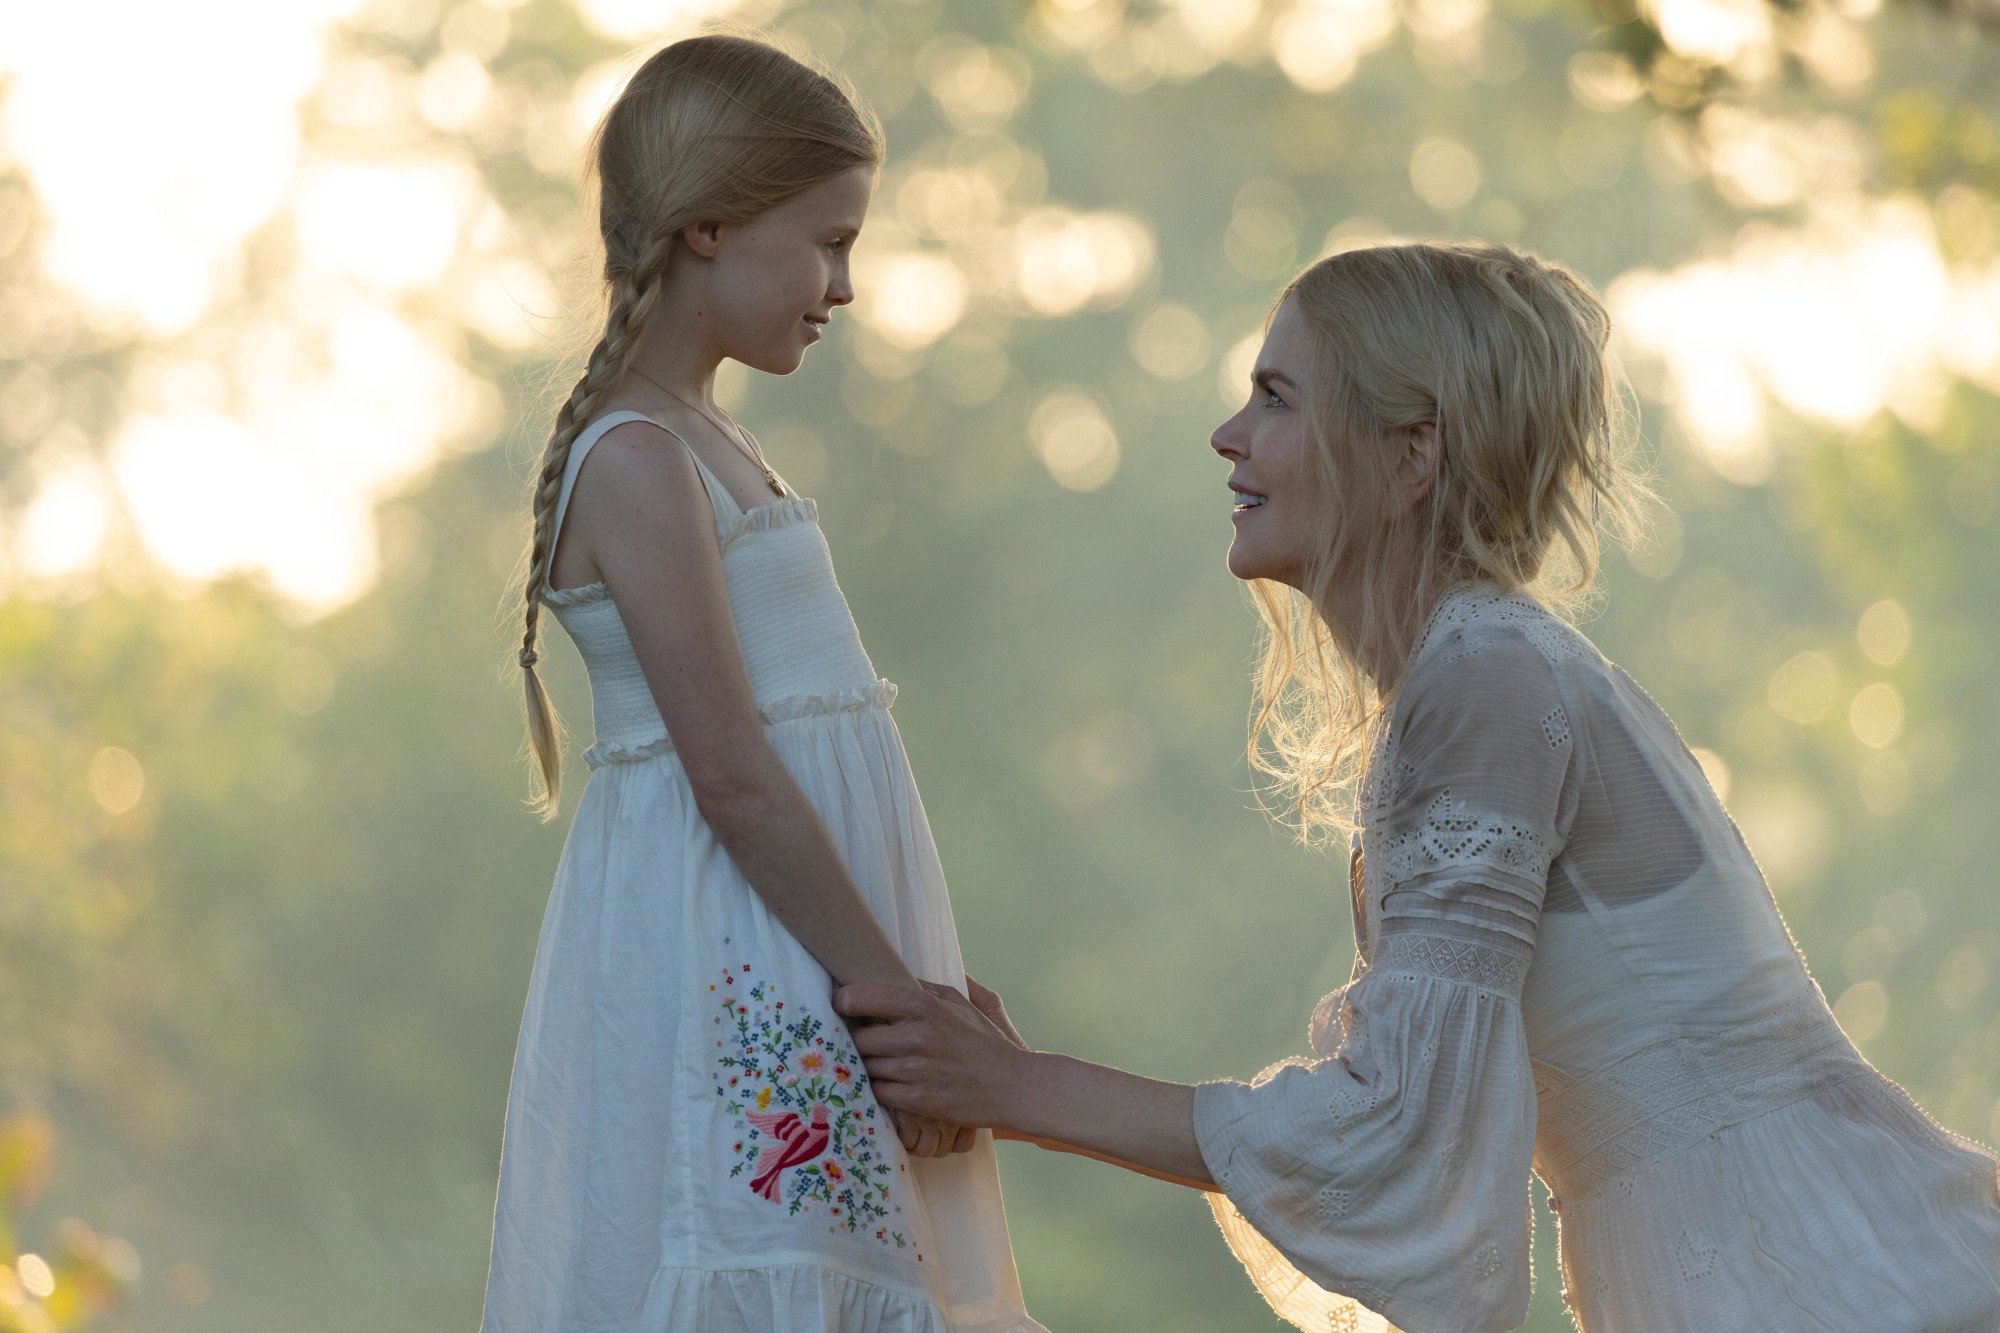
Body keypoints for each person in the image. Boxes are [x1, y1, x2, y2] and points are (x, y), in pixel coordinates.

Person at [834, 240, 2000, 1332]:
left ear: (1409, 457)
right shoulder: (1473, 672)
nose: (1226, 435)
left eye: (1277, 398)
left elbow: (1396, 1124)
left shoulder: (1487, 679)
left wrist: (1010, 1083)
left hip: (1826, 1279)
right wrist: (1012, 1080)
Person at [482, 32, 1043, 1333]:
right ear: (708, 229)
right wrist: (903, 1010)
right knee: (761, 1256)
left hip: (817, 945)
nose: (845, 284)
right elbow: (730, 771)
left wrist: (921, 984)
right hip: (748, 950)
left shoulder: (710, 440)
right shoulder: (635, 458)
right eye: (828, 241)